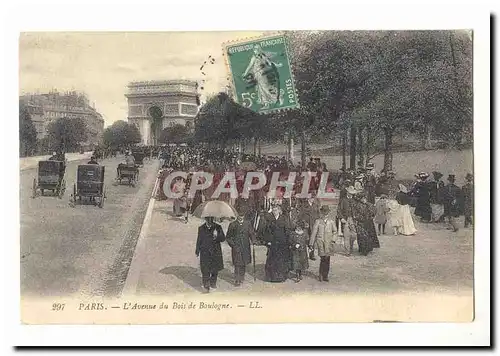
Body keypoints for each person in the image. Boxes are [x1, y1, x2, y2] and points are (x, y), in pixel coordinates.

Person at [196, 217, 226, 293]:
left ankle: (213, 282)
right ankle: (206, 286)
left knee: (214, 269)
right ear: (205, 219)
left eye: (211, 219)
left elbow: (223, 238)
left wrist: (217, 236)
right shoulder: (201, 228)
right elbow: (199, 239)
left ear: (213, 219)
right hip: (205, 252)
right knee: (205, 269)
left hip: (215, 252)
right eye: (208, 219)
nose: (209, 221)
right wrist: (197, 250)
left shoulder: (218, 227)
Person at [226, 213, 256, 286]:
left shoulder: (248, 224)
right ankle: (237, 279)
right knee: (237, 263)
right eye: (239, 216)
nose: (241, 217)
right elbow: (228, 237)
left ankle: (241, 277)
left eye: (242, 216)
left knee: (243, 263)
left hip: (245, 246)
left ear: (244, 216)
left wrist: (253, 240)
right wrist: (233, 245)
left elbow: (251, 233)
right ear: (237, 216)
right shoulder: (232, 224)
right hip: (236, 247)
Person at [264, 204, 291, 283]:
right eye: (273, 210)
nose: (274, 212)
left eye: (276, 210)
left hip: (282, 243)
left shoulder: (284, 218)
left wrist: (288, 241)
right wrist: (268, 241)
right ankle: (272, 277)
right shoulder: (270, 219)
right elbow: (267, 231)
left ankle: (281, 277)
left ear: (279, 210)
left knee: (281, 260)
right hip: (272, 243)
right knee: (272, 260)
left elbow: (287, 231)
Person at [309, 205, 336, 282]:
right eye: (323, 213)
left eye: (326, 213)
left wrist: (333, 240)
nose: (325, 215)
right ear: (321, 213)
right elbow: (314, 232)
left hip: (329, 242)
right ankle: (321, 274)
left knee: (327, 259)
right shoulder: (318, 221)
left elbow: (335, 232)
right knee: (322, 258)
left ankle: (326, 275)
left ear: (328, 213)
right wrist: (311, 243)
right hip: (320, 242)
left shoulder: (331, 222)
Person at [348, 186, 378, 256]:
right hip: (361, 223)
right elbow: (356, 214)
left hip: (368, 222)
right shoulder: (358, 205)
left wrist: (371, 216)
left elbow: (374, 211)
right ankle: (363, 249)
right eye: (363, 198)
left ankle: (367, 248)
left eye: (365, 198)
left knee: (368, 235)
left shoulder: (368, 204)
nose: (364, 199)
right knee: (362, 236)